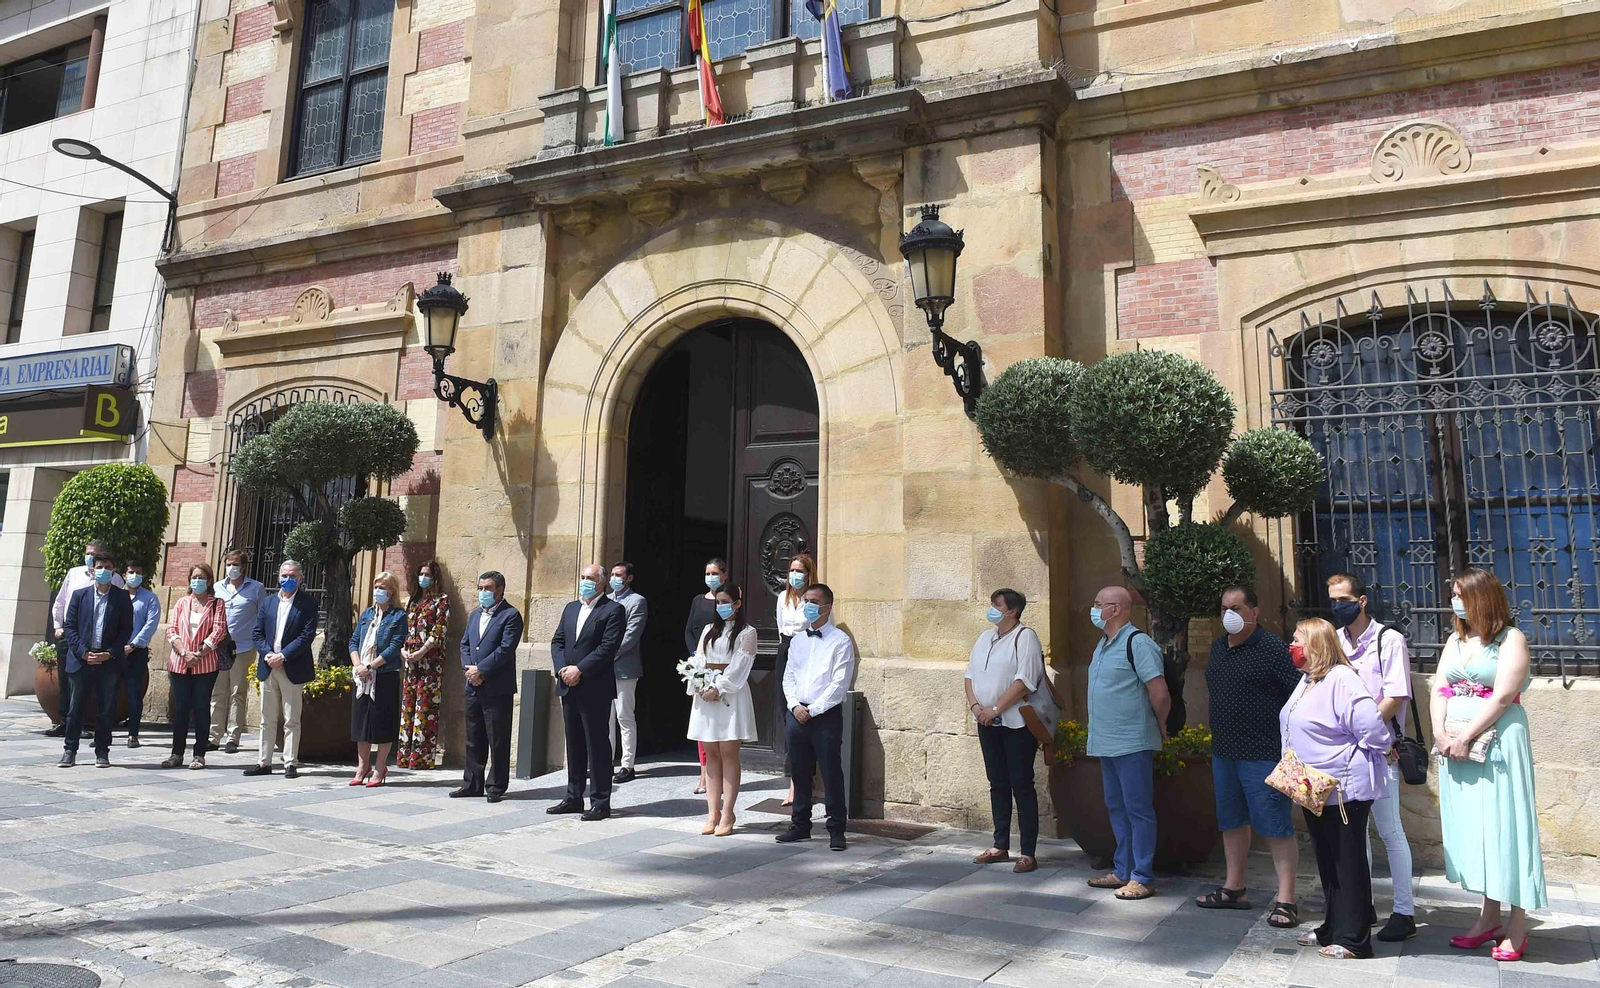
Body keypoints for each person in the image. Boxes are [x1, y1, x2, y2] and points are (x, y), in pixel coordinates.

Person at [1434, 568, 1546, 962]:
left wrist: (1465, 736)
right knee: (1478, 831)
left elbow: (1501, 697)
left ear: (1482, 597)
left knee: (1506, 828)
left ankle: (1517, 925)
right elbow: (1439, 688)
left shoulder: (1511, 639)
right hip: (1456, 748)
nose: (1455, 601)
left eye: (1460, 594)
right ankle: (1487, 919)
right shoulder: (1455, 638)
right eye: (1453, 595)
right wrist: (1441, 735)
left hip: (1498, 743)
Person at [1285, 618, 1391, 960]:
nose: (1292, 644)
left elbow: (1371, 727)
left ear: (1316, 643)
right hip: (1312, 786)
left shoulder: (1342, 679)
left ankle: (1355, 939)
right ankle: (1332, 927)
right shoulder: (1308, 679)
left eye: (1298, 638)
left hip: (1342, 788)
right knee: (1328, 861)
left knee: (1348, 862)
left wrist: (1374, 750)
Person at [1196, 585, 1301, 927]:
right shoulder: (1217, 648)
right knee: (1231, 821)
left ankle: (1286, 899)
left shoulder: (1273, 649)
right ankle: (1234, 887)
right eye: (1225, 607)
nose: (1230, 614)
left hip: (1263, 753)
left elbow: (1298, 695)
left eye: (1238, 608)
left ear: (1254, 613)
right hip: (1225, 751)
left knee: (1275, 824)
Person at [1328, 572, 1417, 941]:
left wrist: (1361, 726)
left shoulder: (1388, 640)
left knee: (1390, 829)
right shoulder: (1335, 641)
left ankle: (1405, 911)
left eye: (1343, 600)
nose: (1337, 607)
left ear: (1362, 600)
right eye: (1332, 601)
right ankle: (1361, 904)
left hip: (1381, 749)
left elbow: (1395, 696)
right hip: (1346, 753)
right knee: (1355, 832)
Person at [1084, 586, 1170, 901]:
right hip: (1106, 742)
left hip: (1132, 741)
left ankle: (1142, 876)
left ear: (1116, 608)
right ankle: (1124, 869)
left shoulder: (1139, 643)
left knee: (1138, 810)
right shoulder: (1103, 644)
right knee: (1117, 808)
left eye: (1098, 604)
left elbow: (1159, 692)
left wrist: (1160, 724)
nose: (1093, 610)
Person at [965, 588, 1047, 874]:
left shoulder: (1026, 638)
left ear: (1011, 611)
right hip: (986, 722)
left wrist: (997, 709)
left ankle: (1028, 852)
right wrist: (977, 708)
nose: (991, 609)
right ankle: (1000, 845)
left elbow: (1024, 681)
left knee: (1021, 784)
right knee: (997, 783)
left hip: (1016, 724)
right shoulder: (984, 638)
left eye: (997, 605)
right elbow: (969, 676)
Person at [779, 583, 856, 851]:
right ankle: (800, 825)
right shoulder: (798, 639)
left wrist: (813, 709)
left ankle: (836, 828)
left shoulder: (840, 641)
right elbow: (789, 675)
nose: (808, 605)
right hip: (797, 713)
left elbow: (839, 683)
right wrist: (793, 705)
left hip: (824, 715)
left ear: (827, 607)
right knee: (800, 771)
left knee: (831, 770)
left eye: (813, 601)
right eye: (805, 601)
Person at [548, 564, 625, 821]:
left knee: (597, 745)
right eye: (582, 577)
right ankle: (573, 797)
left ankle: (601, 802)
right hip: (568, 685)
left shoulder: (613, 610)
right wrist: (562, 670)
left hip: (594, 686)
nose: (585, 582)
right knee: (575, 744)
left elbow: (607, 647)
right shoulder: (571, 608)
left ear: (602, 583)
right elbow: (558, 641)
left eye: (590, 578)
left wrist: (580, 669)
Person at [688, 581, 759, 835]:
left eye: (726, 602)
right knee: (711, 754)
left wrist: (718, 688)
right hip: (706, 694)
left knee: (728, 753)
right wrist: (698, 684)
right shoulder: (708, 629)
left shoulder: (747, 633)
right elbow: (698, 659)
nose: (721, 607)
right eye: (718, 603)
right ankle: (712, 812)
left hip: (730, 694)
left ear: (737, 604)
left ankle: (728, 812)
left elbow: (740, 667)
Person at [453, 570, 523, 802]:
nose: (483, 592)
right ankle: (472, 783)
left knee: (498, 738)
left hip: (496, 687)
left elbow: (505, 649)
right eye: (480, 588)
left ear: (500, 590)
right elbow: (464, 645)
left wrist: (480, 669)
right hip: (473, 685)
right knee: (474, 738)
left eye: (487, 589)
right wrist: (469, 670)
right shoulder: (474, 616)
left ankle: (496, 786)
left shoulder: (511, 615)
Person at [58, 551, 133, 768]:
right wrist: (83, 652)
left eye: (108, 568)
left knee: (106, 709)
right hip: (82, 659)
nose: (103, 571)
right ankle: (69, 750)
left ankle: (102, 751)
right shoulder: (80, 595)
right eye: (99, 567)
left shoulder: (121, 597)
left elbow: (126, 629)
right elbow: (70, 627)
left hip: (108, 661)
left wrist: (110, 652)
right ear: (92, 570)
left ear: (114, 571)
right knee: (76, 708)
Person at [244, 560, 318, 779]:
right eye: (284, 575)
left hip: (292, 666)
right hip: (268, 666)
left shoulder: (308, 604)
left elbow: (307, 635)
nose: (288, 579)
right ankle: (263, 762)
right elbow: (257, 633)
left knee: (291, 718)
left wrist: (283, 655)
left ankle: (290, 762)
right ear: (278, 577)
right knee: (267, 718)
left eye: (292, 576)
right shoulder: (267, 603)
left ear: (301, 579)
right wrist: (268, 654)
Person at [48, 539, 124, 738]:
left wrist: (111, 651)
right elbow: (61, 600)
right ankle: (64, 722)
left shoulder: (115, 581)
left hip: (103, 647)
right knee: (67, 682)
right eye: (88, 553)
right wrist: (58, 627)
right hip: (73, 639)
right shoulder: (75, 573)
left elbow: (122, 616)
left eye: (94, 553)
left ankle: (91, 730)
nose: (89, 556)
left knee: (101, 692)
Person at [163, 563, 228, 770]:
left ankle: (199, 754)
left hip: (205, 664)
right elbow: (171, 629)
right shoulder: (182, 602)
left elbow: (218, 631)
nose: (197, 581)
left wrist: (199, 654)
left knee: (201, 708)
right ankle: (176, 753)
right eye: (194, 577)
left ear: (209, 581)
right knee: (180, 709)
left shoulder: (217, 604)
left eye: (201, 577)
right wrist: (184, 652)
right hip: (180, 663)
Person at [348, 571, 407, 787]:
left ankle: (380, 768)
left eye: (382, 587)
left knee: (382, 723)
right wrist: (358, 666)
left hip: (384, 675)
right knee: (361, 723)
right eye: (376, 586)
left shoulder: (398, 616)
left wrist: (371, 666)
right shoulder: (366, 614)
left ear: (391, 591)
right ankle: (362, 766)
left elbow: (394, 646)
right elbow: (354, 641)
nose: (378, 591)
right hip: (362, 677)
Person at [397, 560, 450, 769]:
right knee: (408, 707)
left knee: (425, 707)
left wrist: (421, 651)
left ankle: (421, 759)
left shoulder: (441, 600)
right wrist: (404, 650)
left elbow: (439, 630)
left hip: (430, 662)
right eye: (421, 573)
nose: (423, 578)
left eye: (427, 574)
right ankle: (404, 756)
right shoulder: (413, 600)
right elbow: (405, 629)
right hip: (410, 661)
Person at [211, 549, 265, 753]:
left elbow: (262, 616)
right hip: (219, 648)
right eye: (228, 563)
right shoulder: (216, 587)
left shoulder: (256, 588)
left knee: (237, 693)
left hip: (244, 648)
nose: (231, 568)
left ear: (243, 566)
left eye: (235, 564)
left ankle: (233, 737)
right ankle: (214, 735)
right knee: (217, 693)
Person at [686, 557, 730, 795]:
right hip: (699, 665)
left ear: (724, 575)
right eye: (708, 573)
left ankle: (722, 773)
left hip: (722, 666)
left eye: (715, 573)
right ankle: (704, 774)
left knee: (721, 725)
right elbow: (689, 630)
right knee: (702, 723)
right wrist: (696, 658)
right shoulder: (697, 600)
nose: (711, 577)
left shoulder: (727, 600)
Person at [777, 553, 816, 806]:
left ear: (808, 573)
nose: (794, 575)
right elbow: (780, 625)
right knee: (787, 714)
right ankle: (794, 781)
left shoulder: (813, 599)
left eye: (799, 570)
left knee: (805, 714)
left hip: (806, 650)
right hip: (785, 649)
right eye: (791, 570)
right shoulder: (783, 598)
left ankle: (803, 783)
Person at [609, 561, 648, 784]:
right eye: (613, 574)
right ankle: (605, 761)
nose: (615, 578)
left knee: (624, 715)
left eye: (619, 575)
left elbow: (631, 636)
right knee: (605, 718)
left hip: (624, 668)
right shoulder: (605, 600)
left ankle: (627, 765)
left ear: (629, 578)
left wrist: (606, 654)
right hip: (602, 669)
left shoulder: (637, 601)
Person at [121, 558, 161, 749]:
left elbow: (150, 624)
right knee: (107, 692)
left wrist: (134, 644)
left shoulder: (150, 598)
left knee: (134, 694)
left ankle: (133, 734)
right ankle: (102, 733)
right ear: (124, 575)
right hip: (113, 652)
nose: (134, 576)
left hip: (136, 652)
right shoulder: (116, 595)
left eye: (138, 572)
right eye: (131, 572)